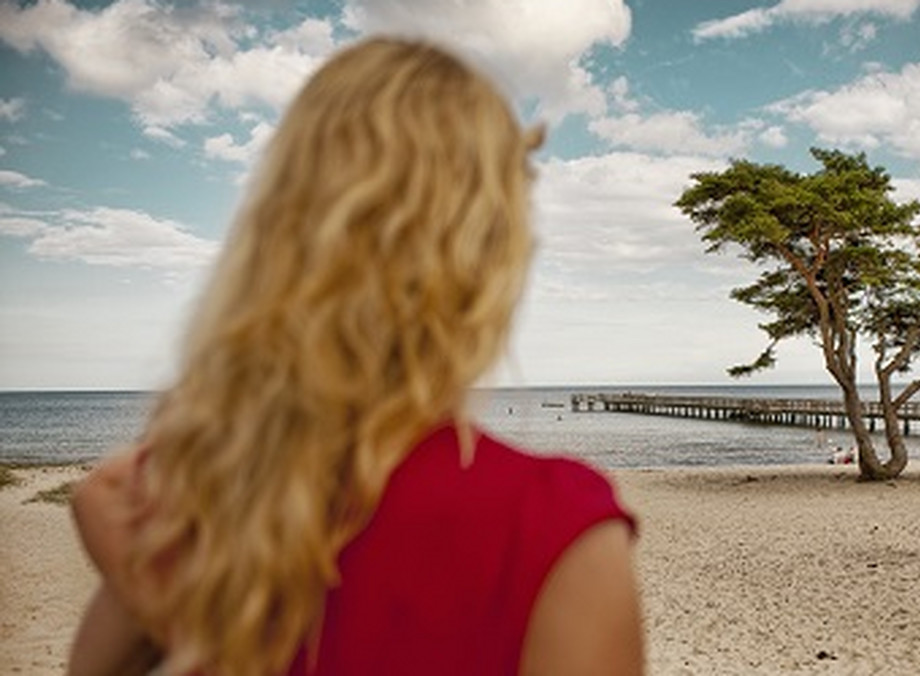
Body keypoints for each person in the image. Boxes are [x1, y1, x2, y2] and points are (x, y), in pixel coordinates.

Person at [68, 38, 643, 676]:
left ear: (276, 232)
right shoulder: (554, 527)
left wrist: (155, 593)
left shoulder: (198, 513)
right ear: (488, 255)